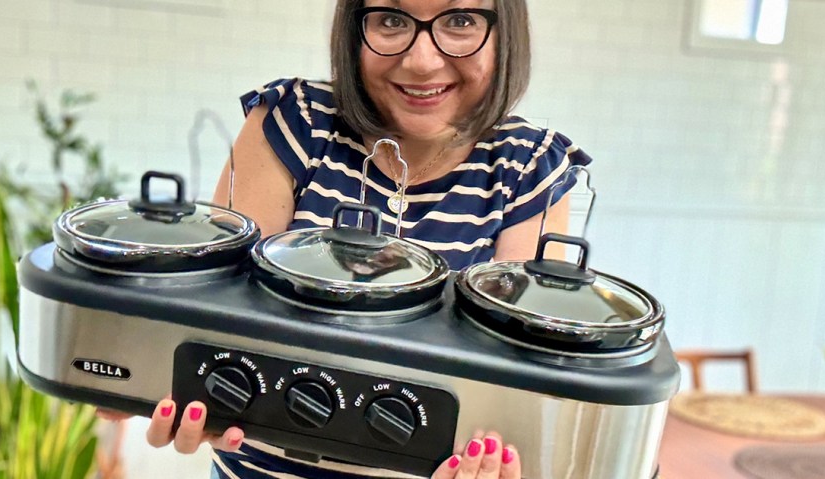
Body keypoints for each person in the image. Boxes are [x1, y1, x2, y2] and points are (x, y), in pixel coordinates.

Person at [102, 0, 593, 477]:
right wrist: (136, 374)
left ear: (505, 31)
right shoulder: (294, 122)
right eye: (391, 20)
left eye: (461, 20)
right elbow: (216, 317)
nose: (422, 61)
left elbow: (516, 378)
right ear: (353, 26)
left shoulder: (529, 166)